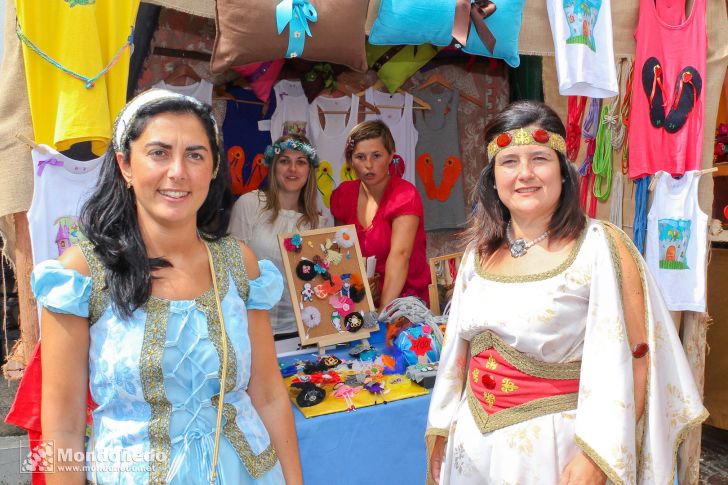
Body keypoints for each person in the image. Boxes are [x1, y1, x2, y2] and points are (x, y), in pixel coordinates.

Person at [426, 100, 707, 485]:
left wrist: (598, 456)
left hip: (556, 451)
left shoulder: (600, 247)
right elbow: (457, 357)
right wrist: (443, 428)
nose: (524, 174)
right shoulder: (478, 254)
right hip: (473, 445)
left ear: (563, 170)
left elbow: (641, 357)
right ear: (493, 178)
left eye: (539, 158)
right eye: (509, 162)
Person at [31, 89, 302, 484]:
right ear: (125, 165)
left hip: (250, 473)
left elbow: (268, 394)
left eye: (195, 154)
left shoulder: (238, 263)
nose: (178, 171)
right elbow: (63, 427)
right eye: (158, 152)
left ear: (212, 169)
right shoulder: (82, 273)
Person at [228, 134, 330, 338]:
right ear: (274, 166)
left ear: (309, 170)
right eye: (285, 161)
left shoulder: (319, 222)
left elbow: (320, 284)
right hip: (251, 330)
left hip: (301, 332)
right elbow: (231, 270)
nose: (293, 169)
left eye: (300, 162)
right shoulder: (250, 204)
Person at [330, 120, 429, 311]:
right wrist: (357, 298)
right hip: (359, 303)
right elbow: (343, 255)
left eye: (376, 156)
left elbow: (400, 256)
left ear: (391, 155)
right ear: (351, 161)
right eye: (360, 157)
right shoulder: (342, 194)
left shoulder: (405, 195)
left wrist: (382, 315)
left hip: (404, 303)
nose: (368, 165)